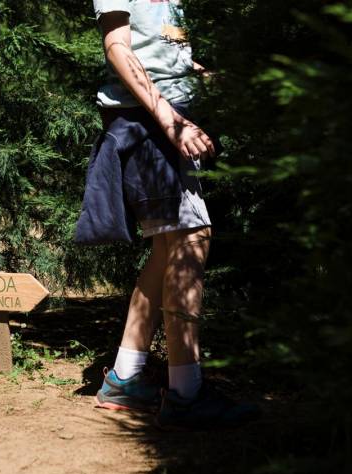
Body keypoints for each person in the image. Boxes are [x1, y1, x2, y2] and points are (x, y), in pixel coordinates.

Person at [85, 0, 259, 430]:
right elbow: (117, 48)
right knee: (192, 240)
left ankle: (125, 378)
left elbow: (162, 53)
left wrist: (206, 77)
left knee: (167, 251)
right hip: (146, 124)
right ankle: (186, 394)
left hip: (164, 118)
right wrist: (169, 119)